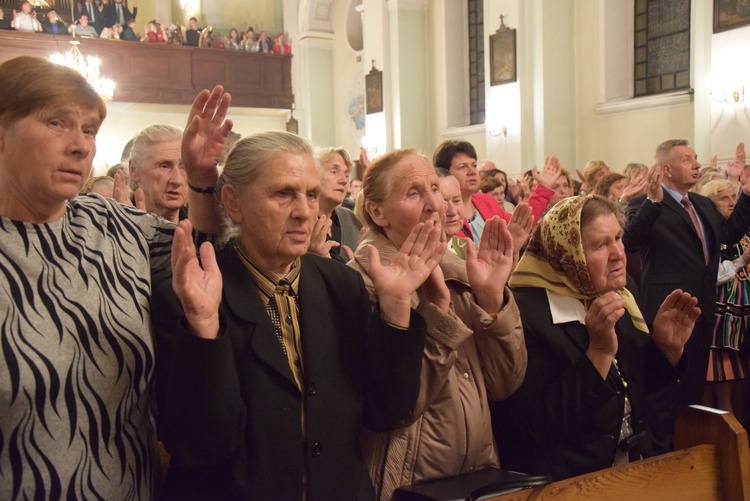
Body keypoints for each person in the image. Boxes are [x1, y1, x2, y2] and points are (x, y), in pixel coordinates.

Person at [153, 131, 439, 500]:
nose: (305, 211)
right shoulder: (189, 294)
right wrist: (205, 327)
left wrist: (397, 307)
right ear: (234, 202)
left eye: (311, 194)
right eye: (283, 193)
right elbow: (202, 446)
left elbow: (386, 412)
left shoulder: (340, 283)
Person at [0, 55, 232, 499]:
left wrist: (201, 177)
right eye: (56, 123)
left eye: (89, 129)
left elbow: (207, 251)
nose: (81, 146)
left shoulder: (114, 224)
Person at [350, 149, 527, 500]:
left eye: (436, 188)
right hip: (408, 482)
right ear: (377, 211)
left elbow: (503, 384)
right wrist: (437, 317)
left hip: (478, 474)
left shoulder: (461, 272)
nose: (438, 205)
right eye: (414, 193)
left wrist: (492, 300)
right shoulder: (361, 284)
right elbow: (397, 408)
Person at [491, 195, 700, 481]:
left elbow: (632, 388)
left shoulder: (619, 294)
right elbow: (536, 429)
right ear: (567, 253)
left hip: (633, 469)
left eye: (618, 238)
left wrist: (665, 350)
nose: (619, 254)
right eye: (601, 245)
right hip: (571, 482)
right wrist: (599, 353)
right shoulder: (526, 314)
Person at [624, 139, 750, 406]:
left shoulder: (702, 203)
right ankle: (661, 446)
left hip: (703, 310)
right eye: (687, 160)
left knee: (692, 391)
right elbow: (631, 241)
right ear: (666, 169)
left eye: (695, 158)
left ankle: (689, 443)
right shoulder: (644, 202)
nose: (697, 164)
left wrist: (747, 195)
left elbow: (728, 234)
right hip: (668, 313)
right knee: (664, 391)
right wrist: (653, 202)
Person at [432, 140, 557, 244]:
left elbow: (519, 225)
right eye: (463, 167)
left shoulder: (486, 201)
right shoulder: (438, 210)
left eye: (474, 165)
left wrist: (543, 188)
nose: (472, 172)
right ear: (444, 172)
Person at [699, 179, 750, 423]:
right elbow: (709, 276)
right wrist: (741, 262)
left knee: (741, 391)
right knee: (721, 391)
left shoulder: (742, 232)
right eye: (725, 198)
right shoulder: (708, 233)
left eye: (734, 197)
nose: (732, 203)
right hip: (720, 324)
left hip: (743, 323)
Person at [128, 124, 188, 224]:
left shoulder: (203, 232)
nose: (177, 180)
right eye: (164, 166)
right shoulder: (112, 230)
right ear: (134, 170)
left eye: (184, 167)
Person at [310, 147, 362, 262]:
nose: (344, 180)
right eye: (334, 172)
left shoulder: (350, 219)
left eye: (346, 175)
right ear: (314, 175)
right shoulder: (300, 221)